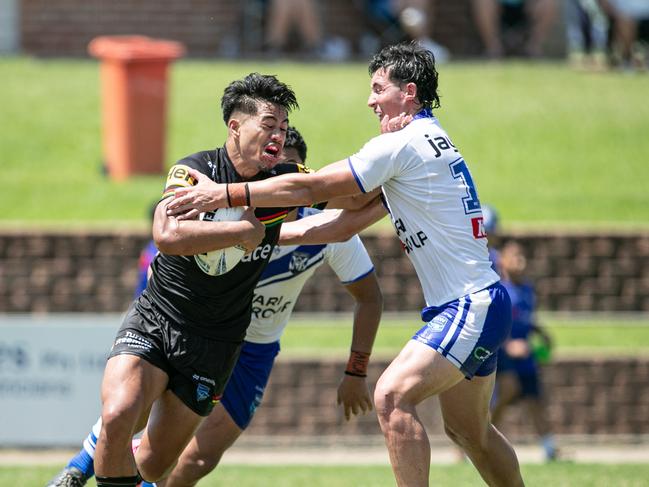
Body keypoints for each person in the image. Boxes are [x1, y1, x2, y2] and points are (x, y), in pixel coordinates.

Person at [167, 42, 524, 487]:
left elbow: (310, 188)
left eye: (378, 89)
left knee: (392, 397)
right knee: (470, 433)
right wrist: (254, 232)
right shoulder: (428, 143)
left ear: (408, 92)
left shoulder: (400, 144)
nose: (371, 100)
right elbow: (340, 223)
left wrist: (223, 195)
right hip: (479, 303)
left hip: (469, 305)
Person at [46, 127, 383, 487]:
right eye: (269, 177)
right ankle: (80, 464)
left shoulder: (322, 230)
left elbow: (369, 295)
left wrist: (356, 370)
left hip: (254, 351)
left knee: (197, 460)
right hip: (204, 333)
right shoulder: (228, 222)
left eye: (287, 179)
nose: (276, 189)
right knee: (131, 412)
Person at [85, 72, 315, 487]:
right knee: (117, 416)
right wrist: (242, 232)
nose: (277, 136)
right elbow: (168, 236)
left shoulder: (284, 182)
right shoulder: (195, 171)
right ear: (235, 126)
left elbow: (355, 195)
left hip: (216, 342)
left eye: (282, 128)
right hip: (158, 318)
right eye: (267, 125)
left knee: (153, 466)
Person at [490, 240, 558, 462]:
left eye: (523, 257)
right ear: (503, 261)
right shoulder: (499, 290)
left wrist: (541, 333)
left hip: (526, 355)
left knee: (535, 399)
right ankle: (481, 439)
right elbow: (496, 321)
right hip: (504, 354)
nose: (521, 262)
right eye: (515, 257)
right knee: (507, 392)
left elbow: (526, 319)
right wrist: (509, 344)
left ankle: (549, 448)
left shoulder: (528, 288)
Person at [471, 0, 558, 58]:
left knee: (548, 2)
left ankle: (533, 49)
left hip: (524, 9)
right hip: (500, 10)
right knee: (482, 2)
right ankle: (494, 50)